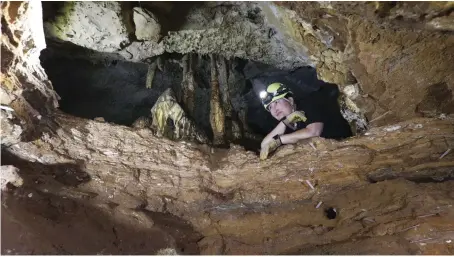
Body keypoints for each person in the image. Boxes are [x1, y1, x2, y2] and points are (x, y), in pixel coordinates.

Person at [259, 82, 352, 160]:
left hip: (345, 145)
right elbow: (264, 144)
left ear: (290, 100)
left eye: (276, 102)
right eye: (270, 107)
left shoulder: (309, 103)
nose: (274, 109)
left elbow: (314, 131)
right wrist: (285, 122)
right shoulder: (287, 121)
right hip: (324, 156)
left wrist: (279, 140)